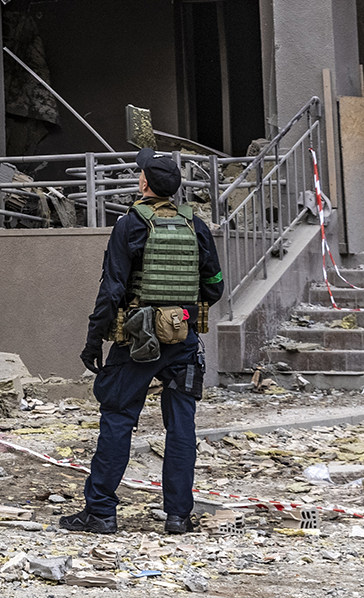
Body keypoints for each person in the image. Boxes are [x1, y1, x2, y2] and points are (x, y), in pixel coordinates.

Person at [61, 151, 224, 536]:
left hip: (136, 341)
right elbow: (214, 287)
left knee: (118, 419)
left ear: (145, 183)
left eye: (140, 173)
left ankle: (100, 512)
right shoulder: (195, 226)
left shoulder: (130, 225)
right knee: (182, 427)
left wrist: (93, 340)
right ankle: (178, 516)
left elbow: (112, 290)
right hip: (183, 340)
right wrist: (180, 310)